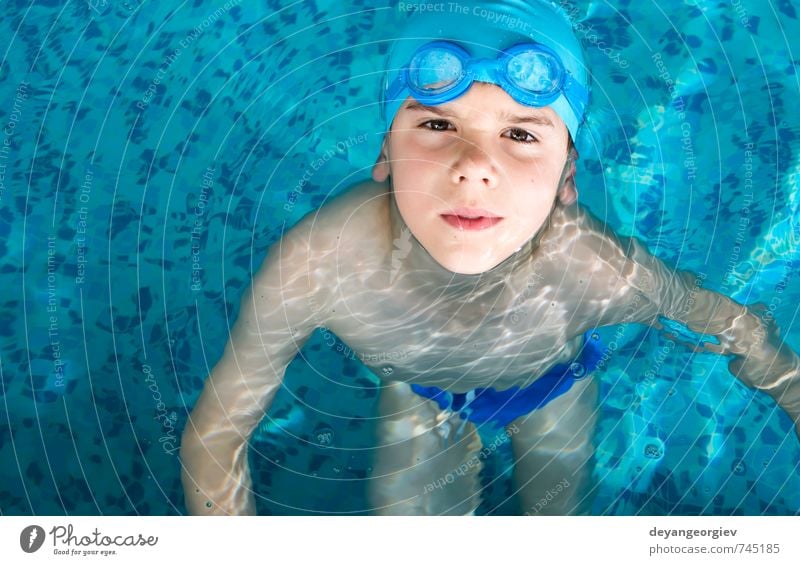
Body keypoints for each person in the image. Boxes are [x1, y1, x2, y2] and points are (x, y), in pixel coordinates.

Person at [179, 0, 800, 515]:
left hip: (552, 387)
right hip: (423, 394)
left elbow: (734, 326)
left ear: (566, 180)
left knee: (550, 528)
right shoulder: (319, 264)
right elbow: (216, 434)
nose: (474, 167)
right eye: (437, 127)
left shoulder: (592, 268)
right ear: (385, 156)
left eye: (521, 134)